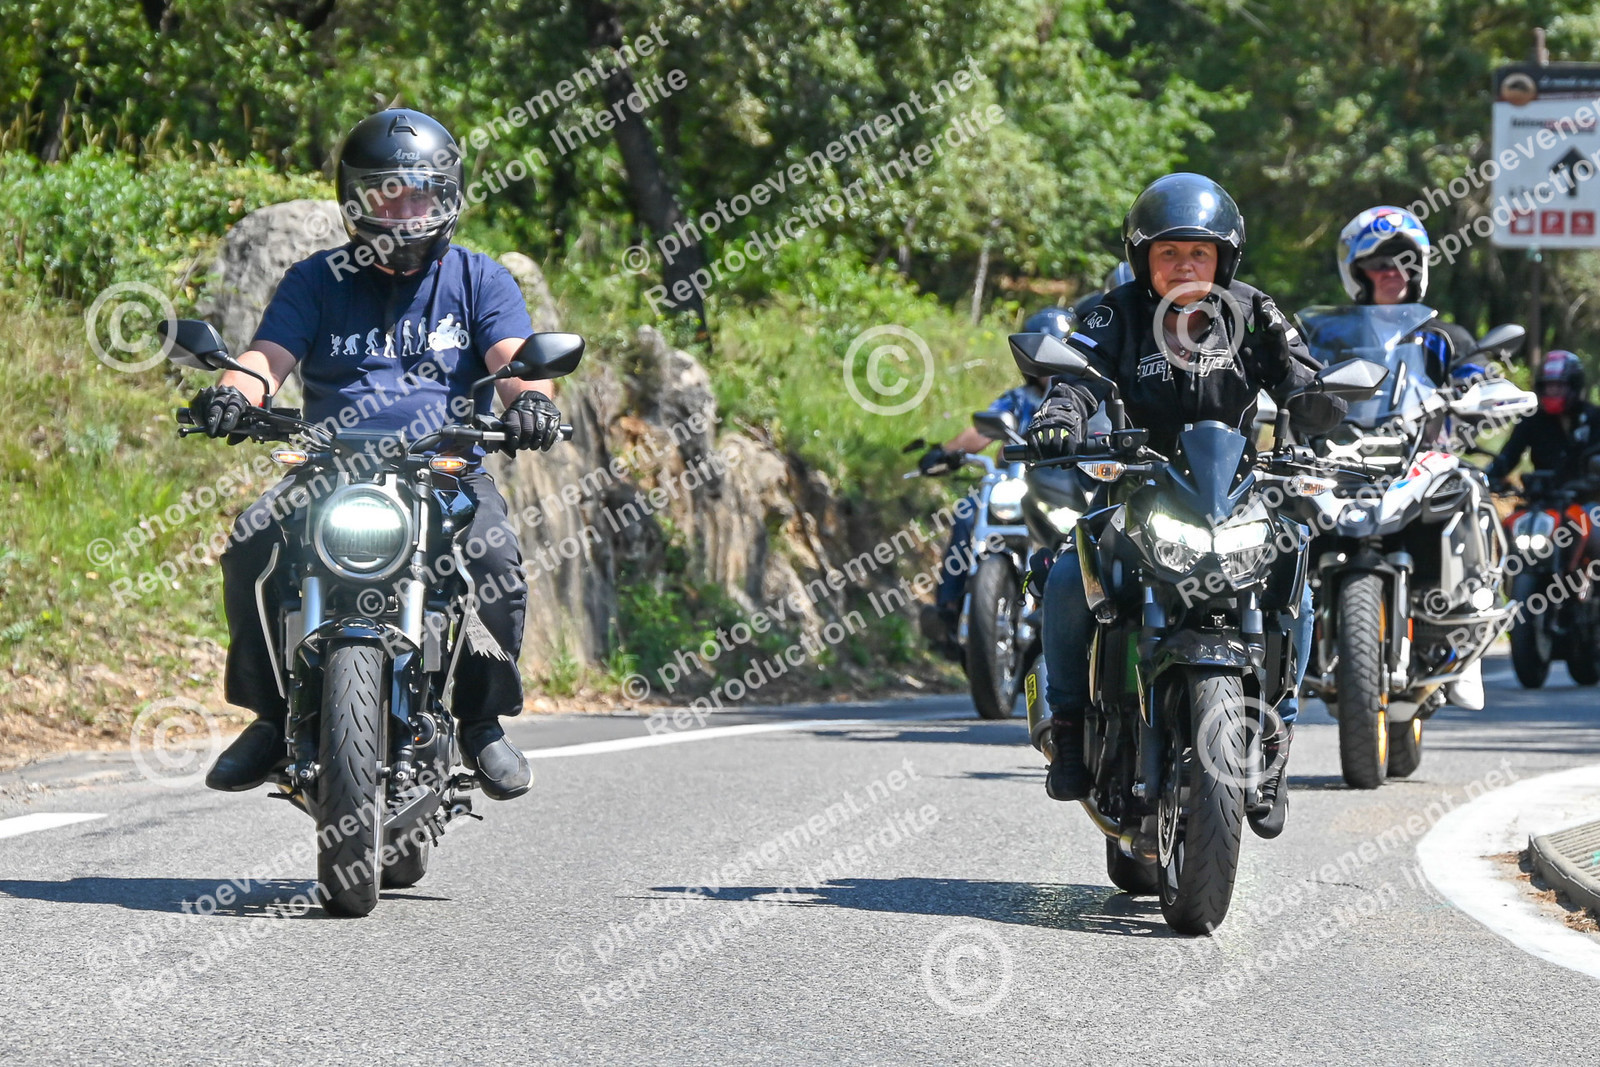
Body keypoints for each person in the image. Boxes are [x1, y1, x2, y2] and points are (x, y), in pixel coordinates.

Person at [197, 108, 564, 801]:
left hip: (444, 473)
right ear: (353, 199)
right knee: (250, 540)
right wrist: (232, 395)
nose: (402, 212)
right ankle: (269, 717)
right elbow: (264, 358)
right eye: (385, 195)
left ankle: (480, 721)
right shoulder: (316, 280)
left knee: (494, 560)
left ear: (448, 198)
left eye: (419, 196)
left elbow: (516, 360)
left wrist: (532, 404)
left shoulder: (478, 279)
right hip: (329, 470)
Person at [1027, 172, 1344, 839]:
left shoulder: (1254, 311)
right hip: (1139, 490)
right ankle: (1069, 724)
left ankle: (1276, 733)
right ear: (1143, 257)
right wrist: (1059, 415)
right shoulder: (1117, 313)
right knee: (1067, 574)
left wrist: (1314, 406)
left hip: (1235, 495)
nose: (1183, 265)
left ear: (1223, 259)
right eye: (1168, 252)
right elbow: (1077, 375)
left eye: (1199, 252)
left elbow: (1300, 375)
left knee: (1298, 579)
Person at [916, 308, 1060, 655]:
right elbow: (983, 430)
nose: (1049, 364)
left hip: (1065, 494)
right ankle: (949, 612)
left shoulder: (1089, 396)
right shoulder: (1020, 400)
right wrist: (944, 453)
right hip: (1017, 488)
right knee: (968, 514)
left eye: (1055, 352)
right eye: (1040, 355)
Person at [1337, 206, 1481, 384]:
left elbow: (1483, 381)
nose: (1392, 272)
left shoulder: (1444, 340)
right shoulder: (1331, 338)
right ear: (1357, 272)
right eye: (1378, 263)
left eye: (1404, 261)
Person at [1488, 349, 1600, 486]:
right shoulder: (1532, 418)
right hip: (1542, 495)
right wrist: (1487, 479)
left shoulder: (1593, 417)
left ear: (1574, 386)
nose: (1553, 391)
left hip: (1587, 495)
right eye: (1549, 385)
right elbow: (1508, 456)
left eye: (1559, 386)